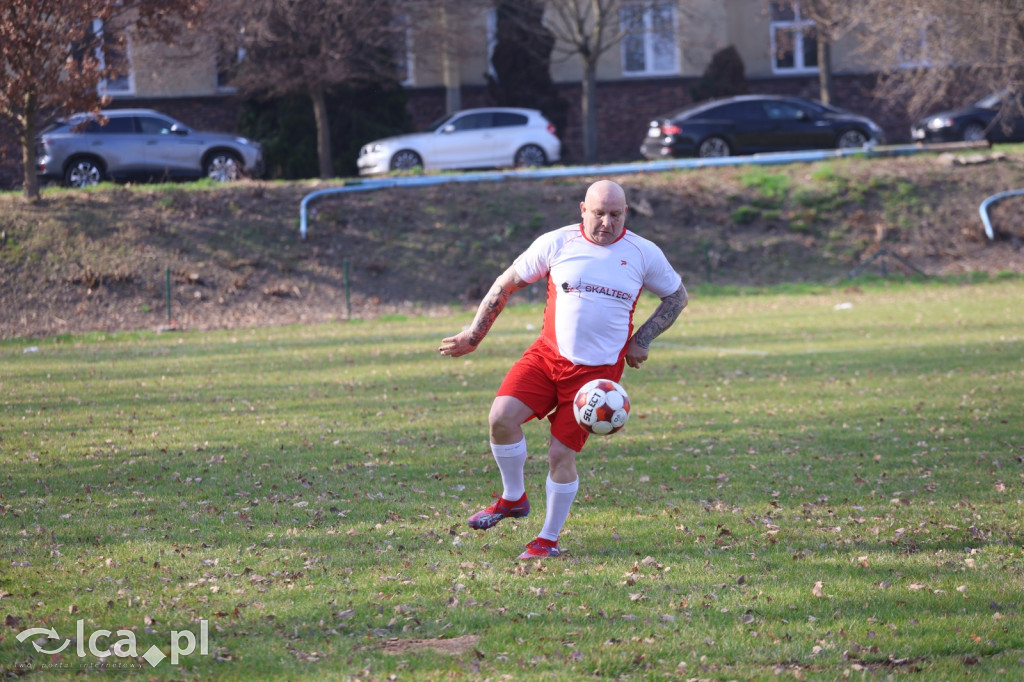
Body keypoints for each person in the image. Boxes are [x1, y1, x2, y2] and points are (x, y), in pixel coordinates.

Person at [438, 180, 687, 560]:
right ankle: (512, 498)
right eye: (598, 213)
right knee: (501, 418)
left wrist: (644, 338)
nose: (606, 222)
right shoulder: (557, 243)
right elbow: (505, 284)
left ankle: (547, 540)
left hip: (596, 378)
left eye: (615, 214)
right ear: (582, 209)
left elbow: (677, 296)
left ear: (626, 214)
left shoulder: (643, 253)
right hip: (546, 356)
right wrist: (474, 335)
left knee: (560, 455)